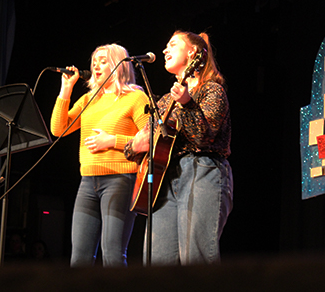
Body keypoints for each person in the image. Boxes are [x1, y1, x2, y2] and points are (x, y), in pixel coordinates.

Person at [124, 30, 233, 265]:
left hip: (202, 169)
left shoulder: (212, 90)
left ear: (192, 52)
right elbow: (136, 147)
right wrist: (135, 145)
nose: (165, 50)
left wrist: (187, 103)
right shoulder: (164, 101)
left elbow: (204, 136)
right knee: (157, 264)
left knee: (196, 259)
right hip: (164, 179)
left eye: (172, 44)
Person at [50, 43, 149, 267]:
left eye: (103, 61)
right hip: (87, 182)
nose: (96, 66)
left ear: (118, 65)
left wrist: (112, 141)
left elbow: (151, 140)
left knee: (112, 254)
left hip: (121, 179)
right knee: (79, 259)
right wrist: (66, 89)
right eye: (94, 62)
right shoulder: (88, 100)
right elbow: (58, 129)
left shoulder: (135, 98)